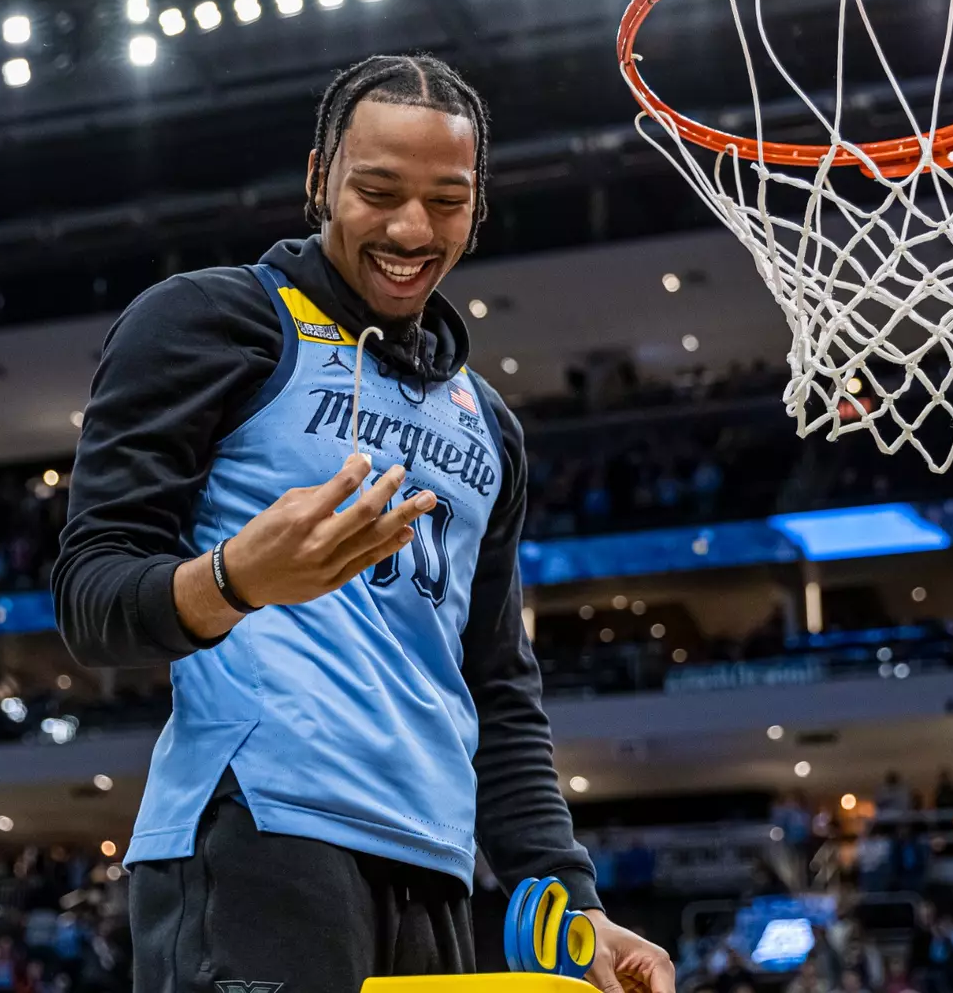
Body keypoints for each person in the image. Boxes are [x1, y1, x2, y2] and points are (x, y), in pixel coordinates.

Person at [53, 54, 673, 993]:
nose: (412, 229)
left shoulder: (489, 425)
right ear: (318, 180)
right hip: (259, 838)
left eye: (447, 200)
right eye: (377, 191)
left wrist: (570, 897)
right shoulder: (211, 322)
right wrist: (233, 581)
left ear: (479, 205)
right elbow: (89, 593)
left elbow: (496, 682)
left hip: (435, 865)